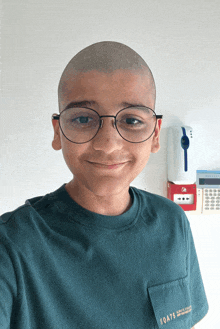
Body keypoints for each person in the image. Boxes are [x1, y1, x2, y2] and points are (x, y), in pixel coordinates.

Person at [0, 41, 208, 328]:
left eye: (132, 120)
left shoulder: (173, 222)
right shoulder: (11, 247)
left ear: (155, 134)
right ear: (58, 132)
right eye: (83, 119)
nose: (108, 145)